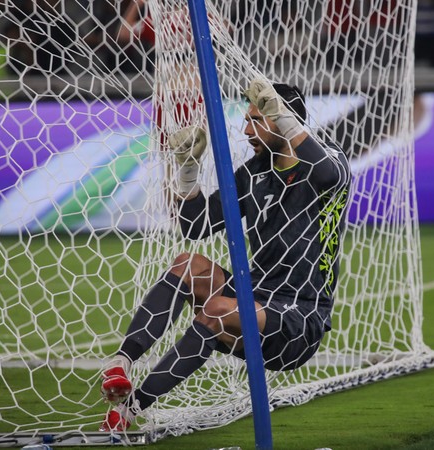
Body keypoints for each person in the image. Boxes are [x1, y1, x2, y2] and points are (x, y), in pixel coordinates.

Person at [98, 77, 351, 432]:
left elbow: (326, 175)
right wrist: (187, 169)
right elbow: (197, 225)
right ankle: (121, 363)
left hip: (299, 320)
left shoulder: (329, 159)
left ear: (281, 119)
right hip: (256, 300)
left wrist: (283, 118)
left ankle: (132, 409)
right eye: (247, 120)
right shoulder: (255, 172)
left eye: (256, 120)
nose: (246, 130)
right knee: (189, 265)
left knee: (217, 310)